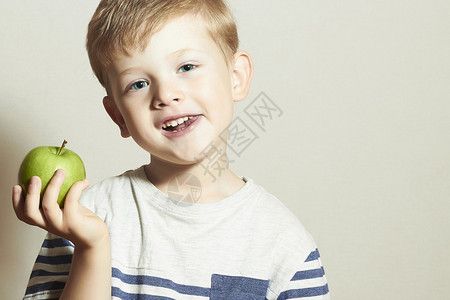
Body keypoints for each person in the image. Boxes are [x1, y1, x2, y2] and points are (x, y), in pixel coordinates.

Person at [12, 0, 330, 299]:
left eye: (187, 66)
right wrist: (92, 248)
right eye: (138, 84)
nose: (166, 94)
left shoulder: (284, 245)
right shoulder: (84, 219)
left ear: (236, 77)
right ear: (118, 116)